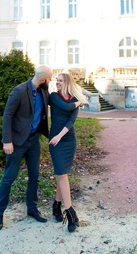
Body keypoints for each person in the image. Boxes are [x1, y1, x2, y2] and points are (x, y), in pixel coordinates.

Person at [0, 65, 77, 231]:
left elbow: (63, 104)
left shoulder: (44, 92)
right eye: (51, 78)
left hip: (33, 141)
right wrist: (7, 140)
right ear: (43, 79)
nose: (52, 81)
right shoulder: (19, 91)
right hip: (17, 142)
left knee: (34, 177)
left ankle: (32, 209)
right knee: (9, 177)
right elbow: (7, 115)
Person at [48, 73, 88, 232]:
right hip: (55, 142)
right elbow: (64, 107)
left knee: (62, 174)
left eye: (60, 81)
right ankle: (70, 213)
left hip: (68, 139)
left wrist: (60, 135)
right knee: (61, 174)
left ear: (67, 83)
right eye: (56, 80)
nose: (57, 83)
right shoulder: (53, 97)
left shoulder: (73, 100)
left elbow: (71, 121)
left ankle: (56, 206)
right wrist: (79, 102)